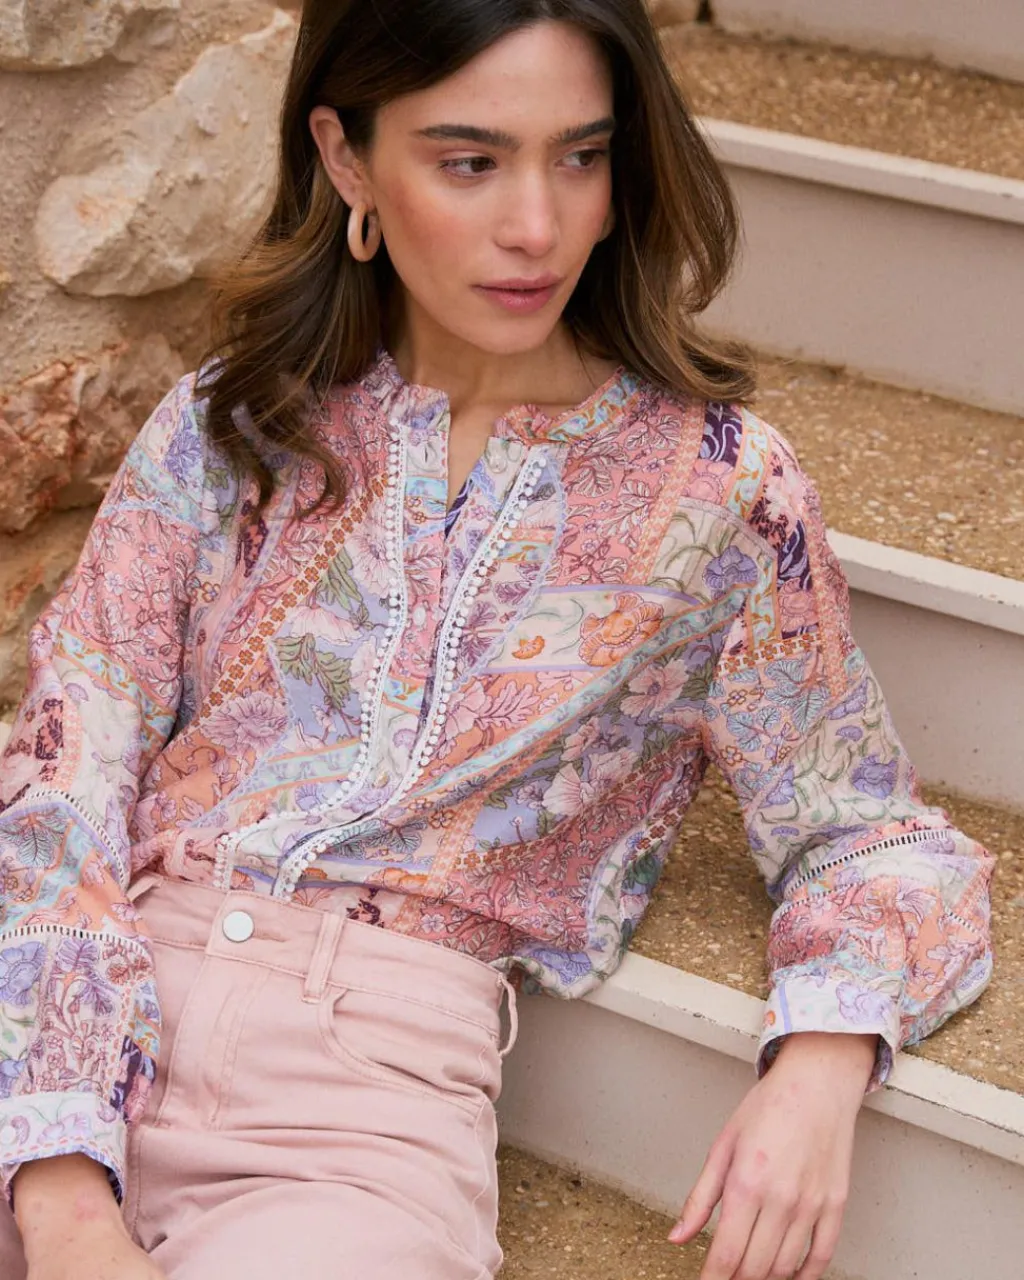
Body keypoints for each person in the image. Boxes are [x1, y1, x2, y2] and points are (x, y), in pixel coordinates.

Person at [0, 2, 994, 1278]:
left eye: (581, 155)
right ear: (348, 158)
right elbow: (63, 771)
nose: (537, 224)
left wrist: (821, 1059)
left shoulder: (718, 495)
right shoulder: (230, 425)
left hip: (357, 1115)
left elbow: (864, 827)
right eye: (469, 161)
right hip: (74, 993)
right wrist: (65, 1189)